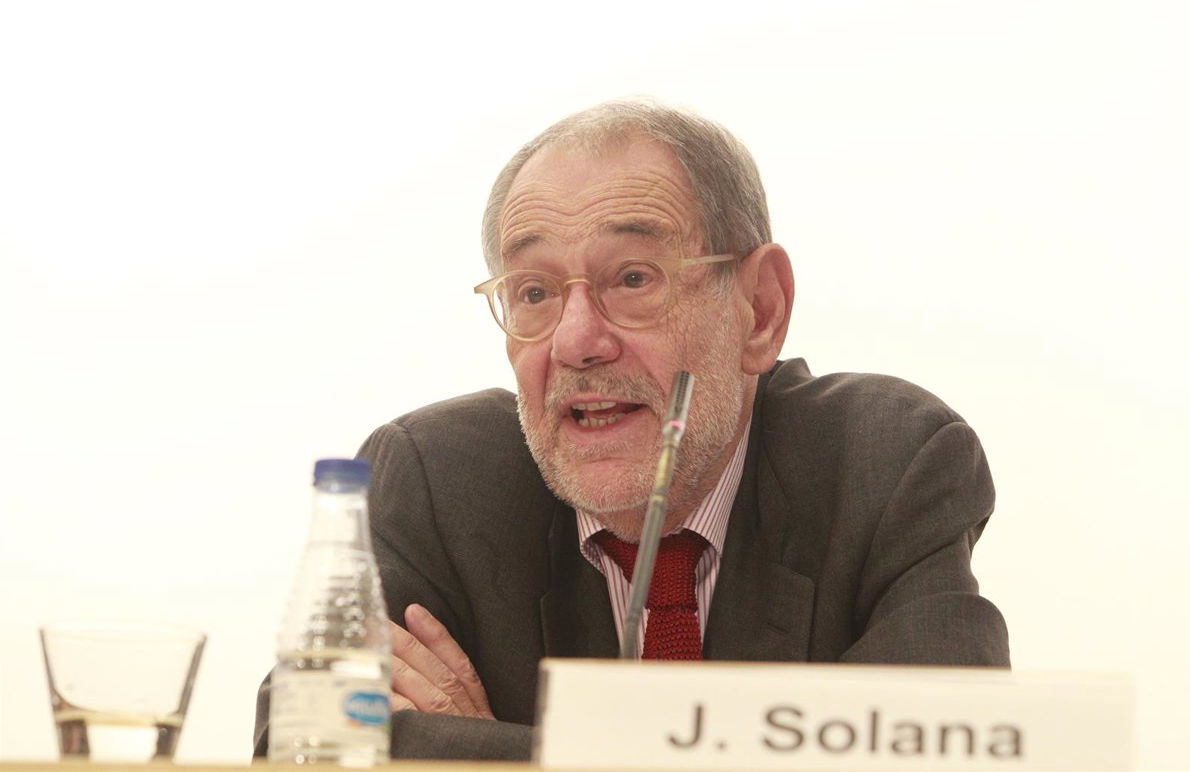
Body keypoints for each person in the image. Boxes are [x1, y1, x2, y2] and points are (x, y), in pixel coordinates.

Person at [254, 100, 1009, 760]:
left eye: (633, 279)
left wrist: (487, 752)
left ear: (760, 310)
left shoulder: (884, 463)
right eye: (535, 292)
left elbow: (945, 759)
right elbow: (304, 743)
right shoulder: (433, 480)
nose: (576, 341)